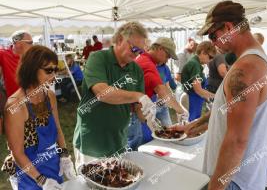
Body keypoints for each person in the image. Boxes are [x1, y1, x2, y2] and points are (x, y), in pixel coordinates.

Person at [197, 1, 267, 190]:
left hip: (235, 180)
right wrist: (196, 124)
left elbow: (237, 141)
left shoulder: (247, 67)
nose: (213, 42)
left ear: (228, 27)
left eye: (213, 35)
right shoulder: (253, 59)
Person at [73, 22, 156, 167]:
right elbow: (103, 93)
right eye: (134, 48)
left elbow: (137, 107)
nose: (137, 54)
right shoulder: (98, 58)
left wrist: (147, 115)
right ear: (119, 40)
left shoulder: (136, 69)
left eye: (140, 51)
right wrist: (137, 96)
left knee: (116, 182)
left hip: (118, 140)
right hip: (93, 142)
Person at [1, 45, 76, 190]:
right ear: (31, 70)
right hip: (29, 175)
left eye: (55, 70)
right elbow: (17, 153)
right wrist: (42, 181)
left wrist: (64, 156)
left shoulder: (50, 96)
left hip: (53, 165)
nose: (54, 75)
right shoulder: (16, 106)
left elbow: (58, 129)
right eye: (48, 70)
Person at [134, 37, 189, 143]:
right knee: (137, 146)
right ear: (160, 48)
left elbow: (163, 88)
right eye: (168, 56)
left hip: (140, 109)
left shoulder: (146, 60)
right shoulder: (148, 64)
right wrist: (181, 111)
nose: (167, 60)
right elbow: (161, 90)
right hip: (135, 112)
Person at [181, 41, 215, 121]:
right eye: (210, 57)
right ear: (203, 52)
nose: (210, 60)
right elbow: (198, 90)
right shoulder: (194, 64)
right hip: (191, 99)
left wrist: (207, 100)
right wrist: (215, 96)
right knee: (190, 126)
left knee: (193, 125)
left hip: (195, 99)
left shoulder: (197, 65)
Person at [0, 30, 33, 97]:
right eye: (30, 42)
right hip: (14, 101)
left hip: (33, 98)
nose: (32, 45)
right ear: (18, 43)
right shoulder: (3, 54)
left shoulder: (33, 56)